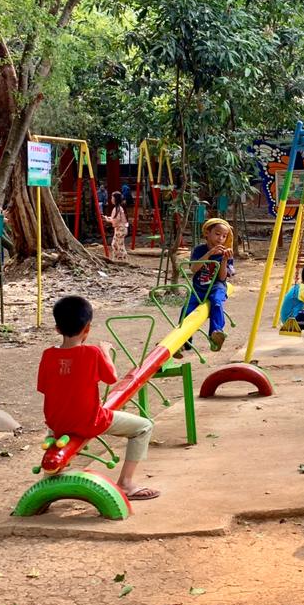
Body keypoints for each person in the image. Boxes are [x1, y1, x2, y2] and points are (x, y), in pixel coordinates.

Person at [37, 295, 158, 501]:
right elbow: (111, 378)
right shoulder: (92, 352)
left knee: (55, 437)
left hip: (57, 423)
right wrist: (105, 352)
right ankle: (126, 483)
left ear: (57, 329)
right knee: (144, 427)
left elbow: (44, 388)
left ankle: (48, 483)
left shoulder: (47, 355)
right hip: (89, 421)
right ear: (88, 328)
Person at [183, 218, 234, 352]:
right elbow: (194, 269)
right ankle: (185, 341)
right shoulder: (199, 250)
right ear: (207, 233)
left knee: (217, 302)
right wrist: (210, 253)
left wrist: (224, 260)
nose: (220, 238)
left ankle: (216, 333)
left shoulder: (226, 253)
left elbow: (222, 278)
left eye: (224, 236)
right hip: (199, 287)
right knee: (186, 309)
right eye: (217, 234)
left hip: (217, 286)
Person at [105, 191, 128, 262]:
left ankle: (123, 260)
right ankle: (118, 259)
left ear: (115, 199)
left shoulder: (117, 209)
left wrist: (107, 219)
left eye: (112, 198)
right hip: (120, 228)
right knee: (115, 244)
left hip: (120, 229)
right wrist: (108, 218)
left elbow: (116, 220)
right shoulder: (118, 208)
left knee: (119, 245)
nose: (111, 199)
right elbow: (115, 219)